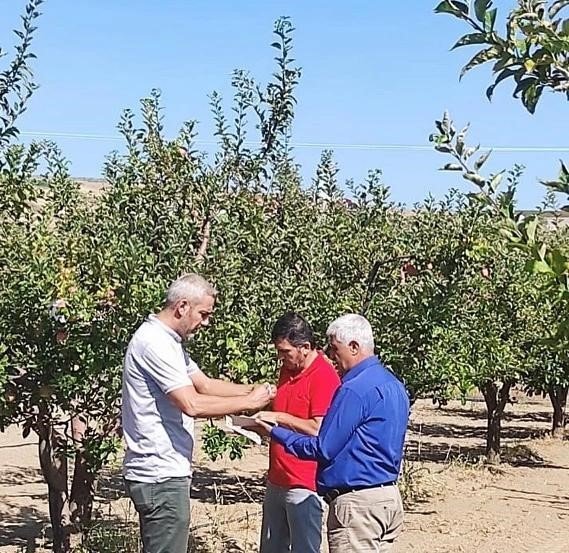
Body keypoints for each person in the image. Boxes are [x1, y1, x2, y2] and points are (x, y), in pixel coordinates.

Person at [121, 273, 275, 553]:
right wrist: (248, 403)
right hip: (159, 475)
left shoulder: (168, 342)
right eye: (203, 314)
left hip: (164, 474)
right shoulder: (155, 343)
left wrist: (254, 392)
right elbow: (192, 404)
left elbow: (204, 384)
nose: (205, 322)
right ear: (182, 306)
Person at [259, 313, 410, 553]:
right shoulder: (394, 386)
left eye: (334, 348)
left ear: (354, 346)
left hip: (358, 505)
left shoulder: (354, 389)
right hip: (387, 498)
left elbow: (323, 447)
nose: (331, 356)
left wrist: (277, 432)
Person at [254, 312, 340, 553]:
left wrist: (278, 418)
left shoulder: (324, 376)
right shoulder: (288, 370)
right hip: (277, 477)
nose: (281, 358)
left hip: (304, 482)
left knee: (304, 547)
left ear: (304, 347)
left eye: (285, 352)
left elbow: (318, 428)